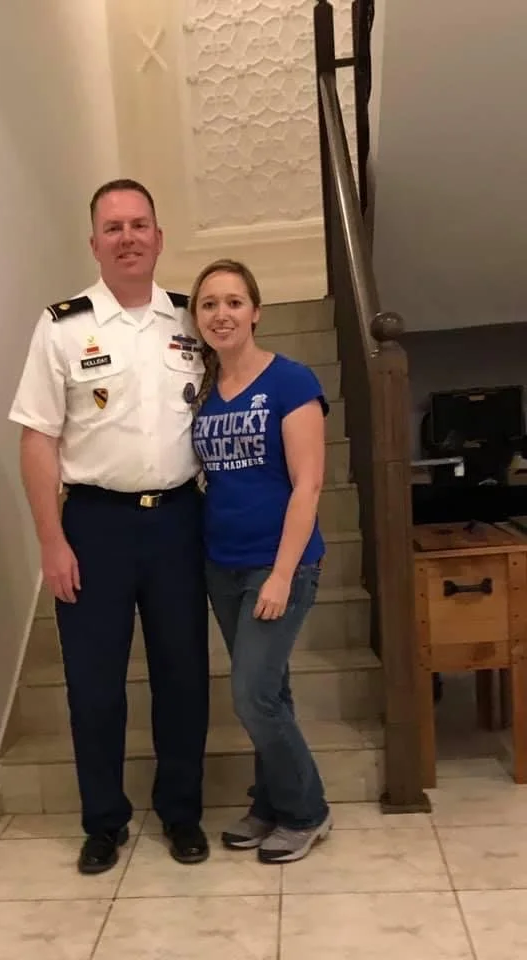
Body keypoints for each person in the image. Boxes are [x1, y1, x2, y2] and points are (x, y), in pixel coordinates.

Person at [9, 179, 210, 874]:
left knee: (183, 676)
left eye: (139, 224)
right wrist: (50, 539)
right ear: (93, 242)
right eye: (113, 226)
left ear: (159, 236)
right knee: (93, 685)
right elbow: (38, 438)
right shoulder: (62, 326)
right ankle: (105, 821)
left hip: (180, 521)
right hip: (94, 524)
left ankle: (182, 813)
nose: (128, 236)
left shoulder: (193, 319)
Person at [189, 258, 332, 864]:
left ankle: (307, 811)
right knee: (271, 689)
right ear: (197, 319)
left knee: (252, 695)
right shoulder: (201, 394)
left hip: (281, 567)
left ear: (256, 311)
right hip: (221, 565)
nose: (221, 314)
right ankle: (269, 802)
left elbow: (309, 485)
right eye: (209, 304)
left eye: (233, 302)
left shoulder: (292, 381)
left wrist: (279, 573)